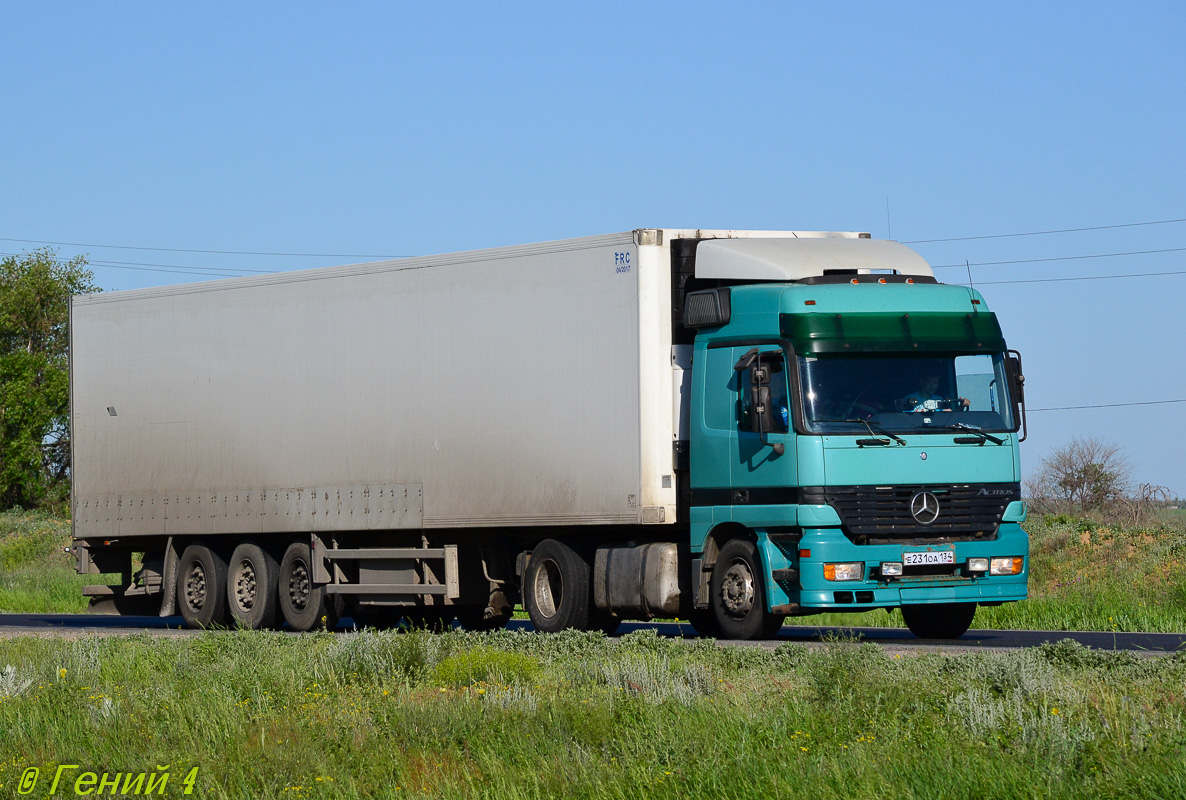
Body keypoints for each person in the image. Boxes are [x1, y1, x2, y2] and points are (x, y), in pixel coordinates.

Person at [901, 370, 969, 412]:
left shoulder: (939, 399)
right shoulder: (908, 399)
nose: (933, 386)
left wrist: (962, 406)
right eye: (930, 383)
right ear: (922, 382)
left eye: (935, 383)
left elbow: (951, 418)